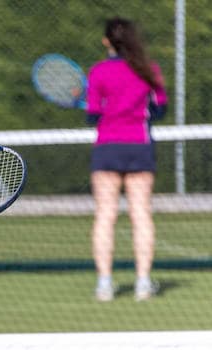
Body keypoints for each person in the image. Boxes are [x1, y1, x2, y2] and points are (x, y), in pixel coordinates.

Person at [85, 17, 167, 302]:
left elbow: (92, 115)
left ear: (107, 41)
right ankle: (142, 283)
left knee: (105, 215)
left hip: (108, 148)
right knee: (141, 214)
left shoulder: (97, 72)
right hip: (139, 147)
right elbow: (160, 110)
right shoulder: (149, 69)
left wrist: (97, 109)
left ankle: (104, 285)